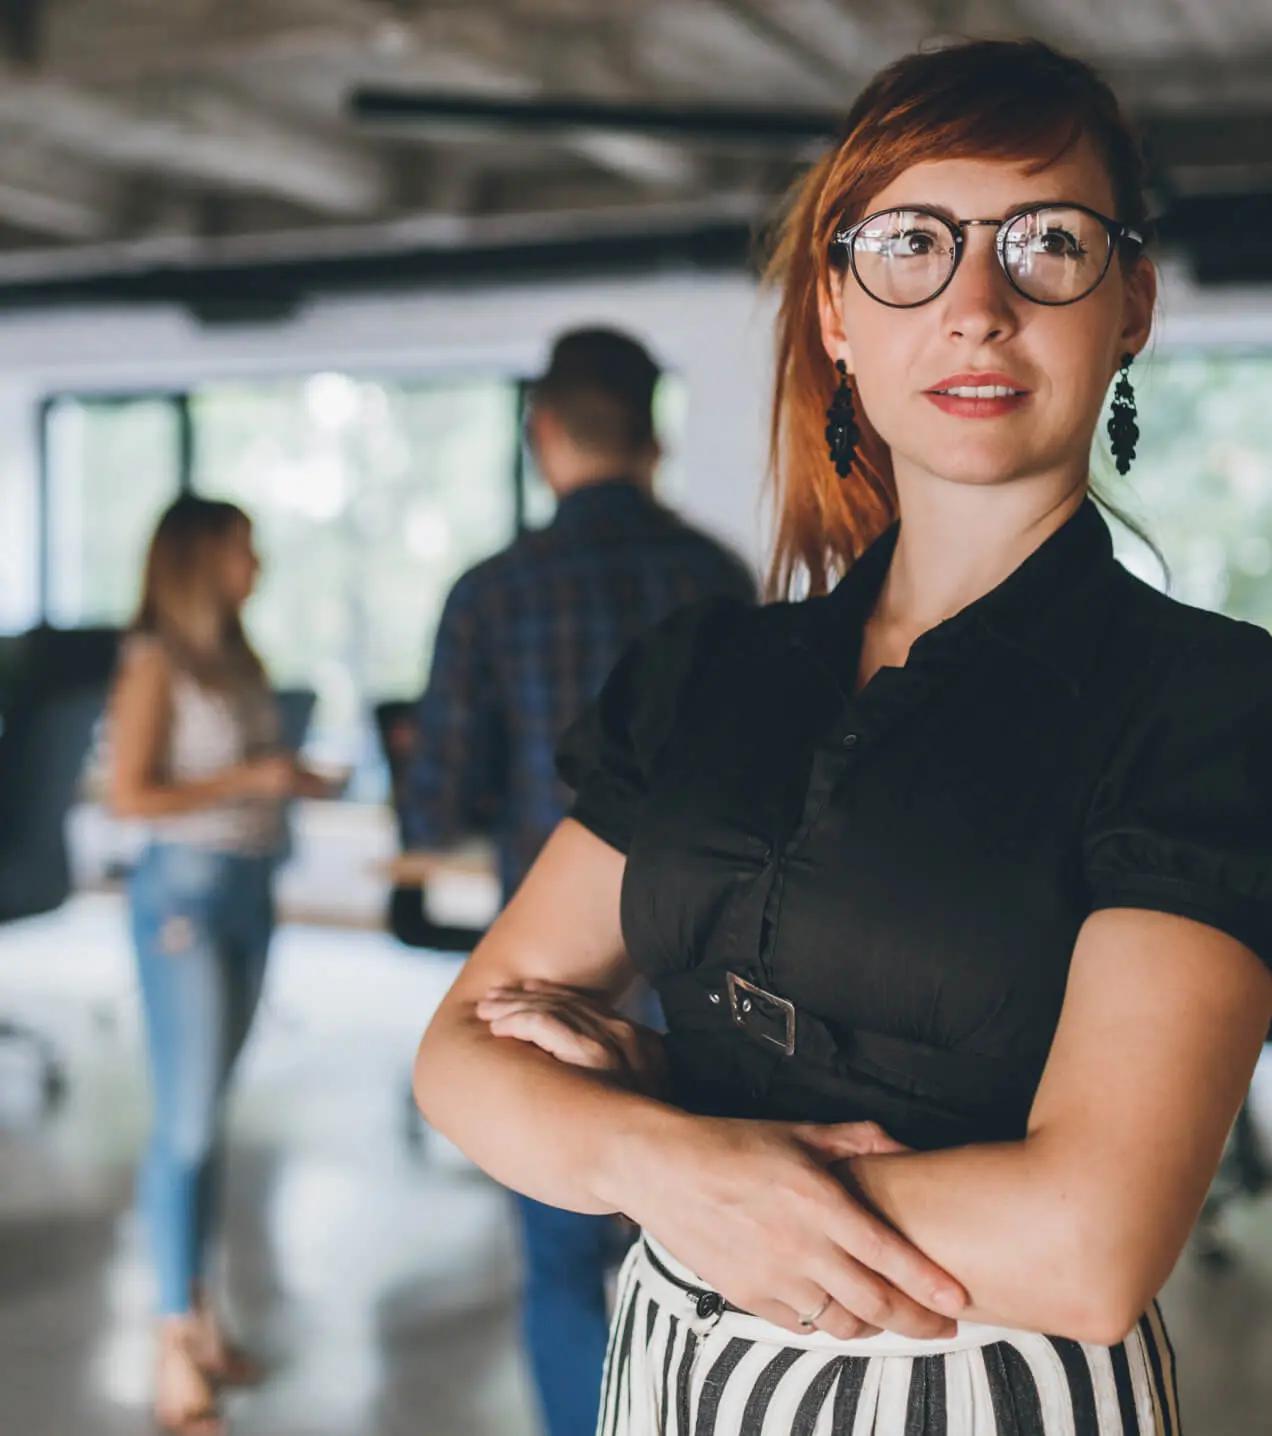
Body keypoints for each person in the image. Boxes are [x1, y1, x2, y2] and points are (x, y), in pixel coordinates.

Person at [412, 38, 1272, 1436]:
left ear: (1132, 304)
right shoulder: (705, 668)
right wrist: (666, 1147)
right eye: (910, 245)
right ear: (836, 312)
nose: (975, 305)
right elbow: (459, 1056)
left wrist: (658, 1143)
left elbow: (1093, 1244)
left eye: (1048, 242)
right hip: (671, 1382)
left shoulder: (1210, 705)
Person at [400, 325, 755, 1436]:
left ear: (541, 433)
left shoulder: (492, 592)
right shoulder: (716, 577)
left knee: (557, 1250)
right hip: (710, 963)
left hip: (550, 975)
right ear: (653, 435)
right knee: (708, 1237)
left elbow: (440, 802)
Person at [109, 496, 334, 1434]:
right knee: (187, 1124)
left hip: (247, 889)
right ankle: (170, 1343)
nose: (259, 567)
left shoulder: (237, 659)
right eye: (245, 551)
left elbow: (254, 770)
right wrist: (253, 779)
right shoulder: (154, 661)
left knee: (210, 1118)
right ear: (201, 561)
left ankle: (199, 1317)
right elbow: (130, 796)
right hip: (185, 900)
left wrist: (295, 780)